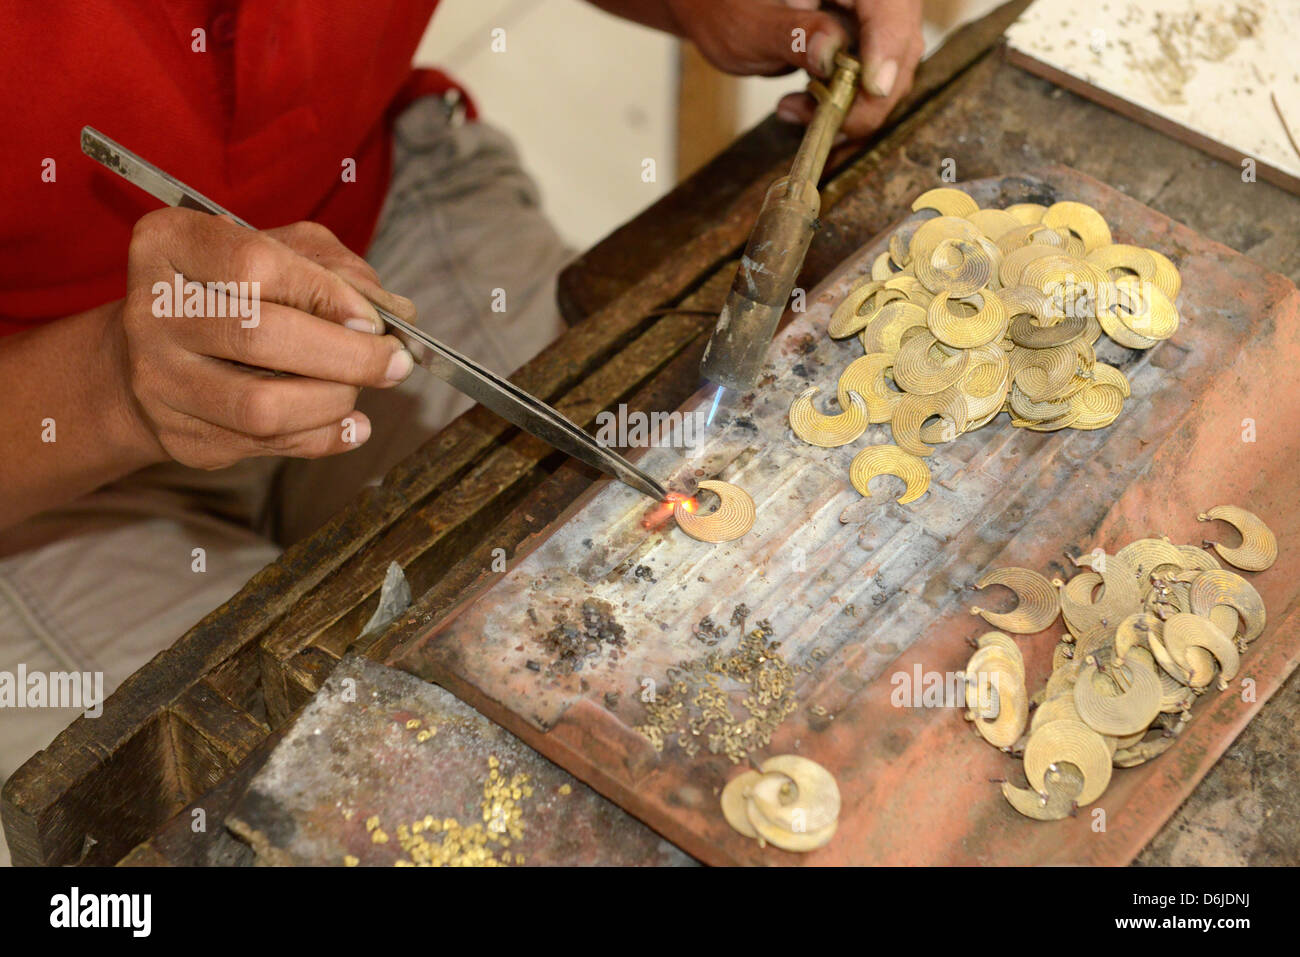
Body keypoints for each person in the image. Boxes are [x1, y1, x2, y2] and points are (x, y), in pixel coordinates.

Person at [0, 0, 922, 861]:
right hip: (40, 445)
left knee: (690, 623)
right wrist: (110, 387)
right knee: (339, 811)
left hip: (370, 220)